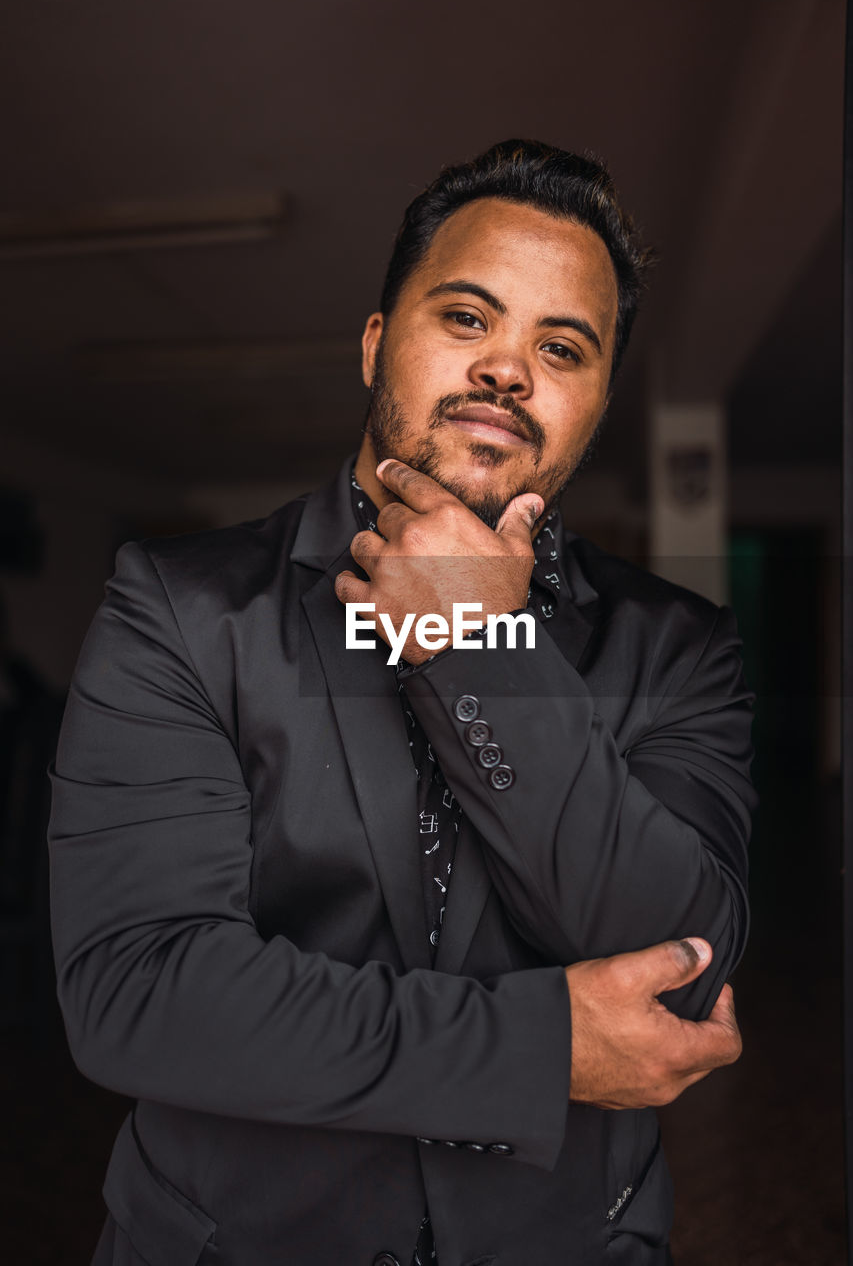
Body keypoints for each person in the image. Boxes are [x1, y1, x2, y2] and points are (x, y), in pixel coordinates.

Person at [48, 140, 755, 1266]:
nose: (508, 371)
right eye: (467, 318)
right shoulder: (180, 609)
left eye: (560, 347)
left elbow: (687, 964)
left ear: (595, 403)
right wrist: (536, 1049)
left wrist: (476, 643)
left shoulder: (676, 647)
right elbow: (142, 991)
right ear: (380, 343)